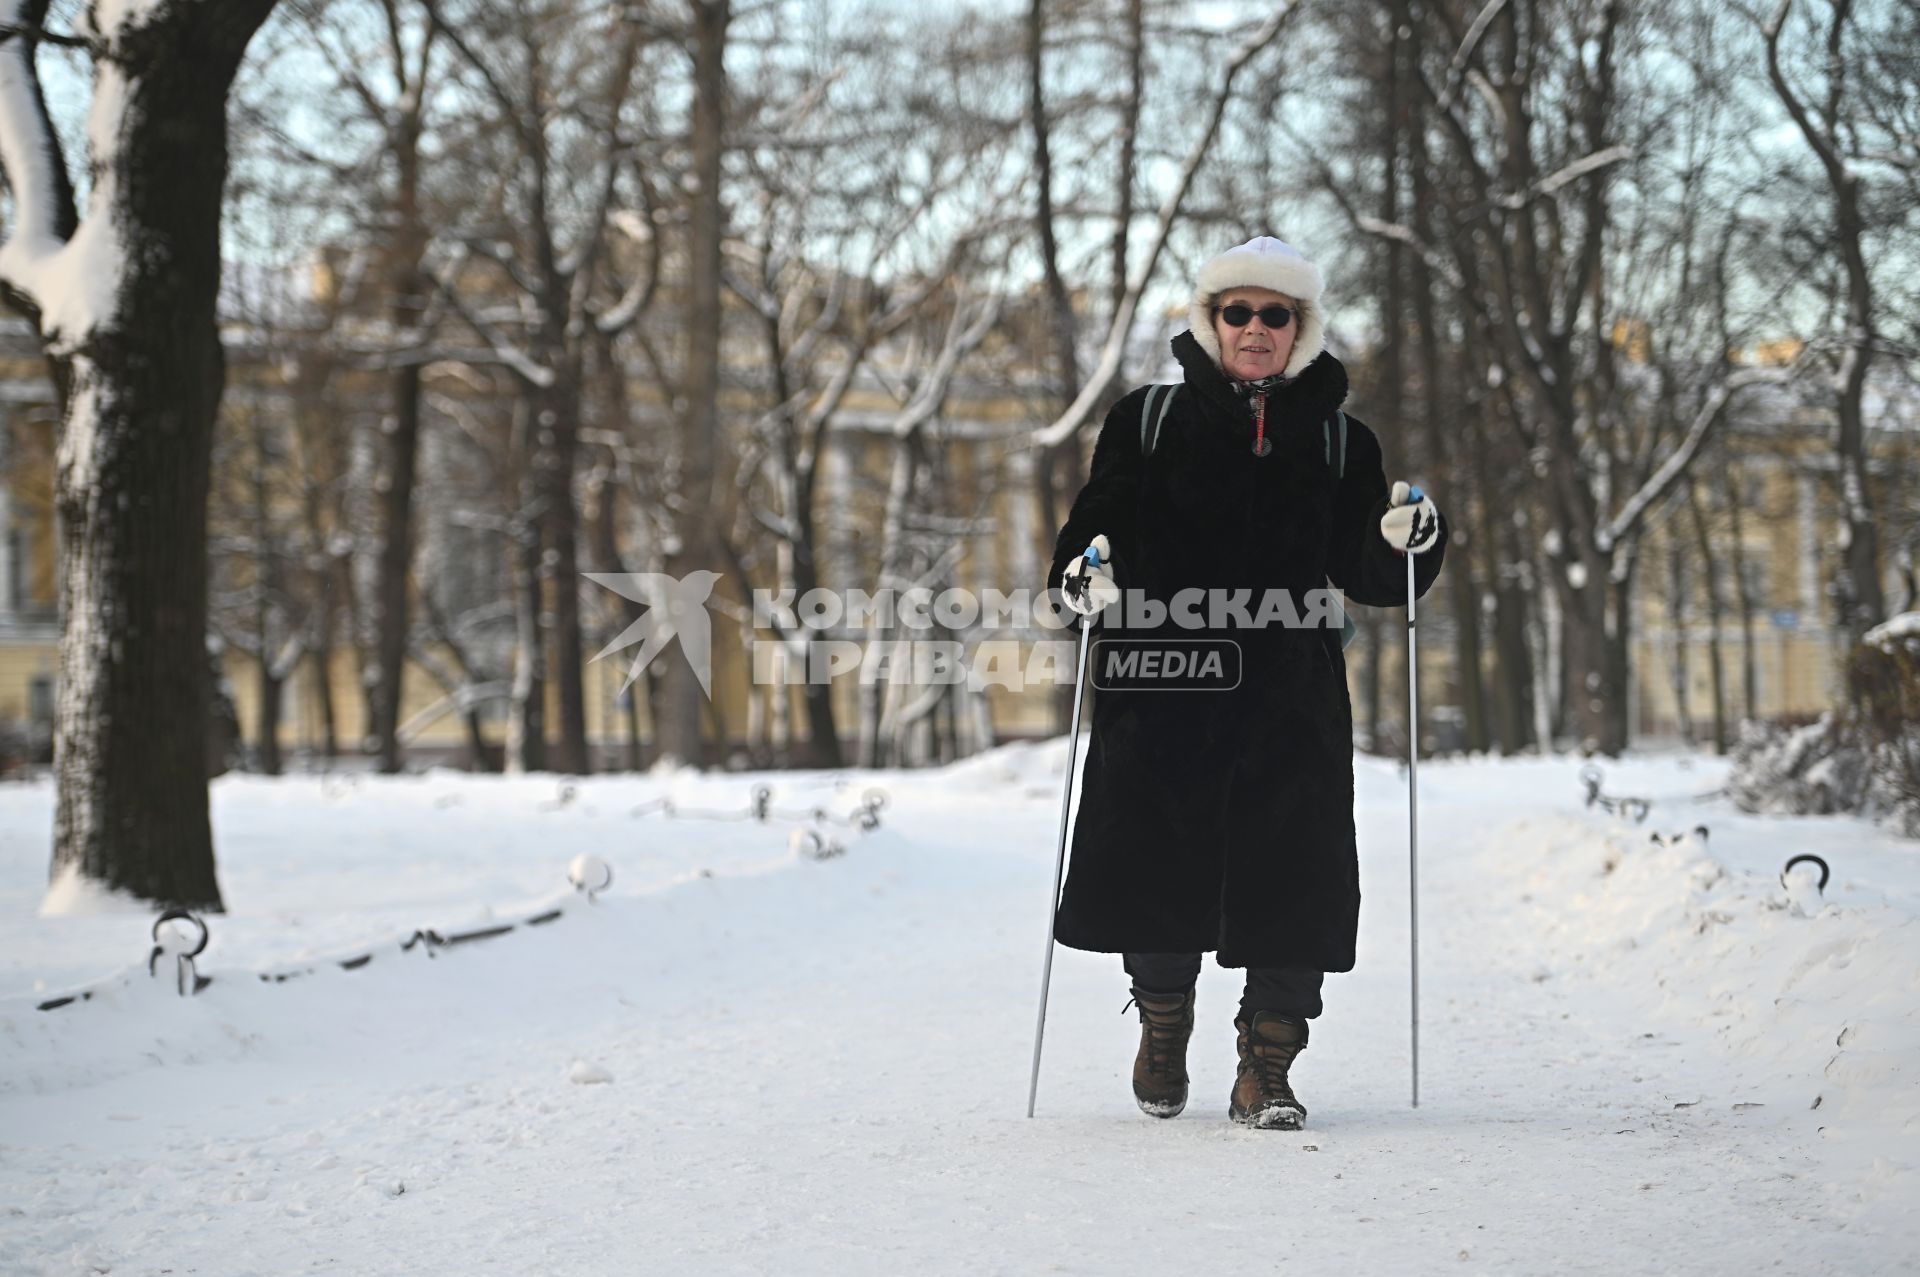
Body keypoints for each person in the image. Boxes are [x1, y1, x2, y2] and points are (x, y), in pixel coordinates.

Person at [1048, 236, 1446, 1129]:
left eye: (1276, 314)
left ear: (1300, 328)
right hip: (1163, 689)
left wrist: (1405, 540)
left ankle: (1267, 1063)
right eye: (1239, 312)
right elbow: (1096, 529)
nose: (1255, 329)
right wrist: (1080, 574)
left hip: (1288, 701)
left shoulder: (1344, 440)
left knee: (1294, 880)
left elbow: (1372, 573)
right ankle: (1162, 1021)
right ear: (1211, 320)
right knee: (1154, 873)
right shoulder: (1146, 421)